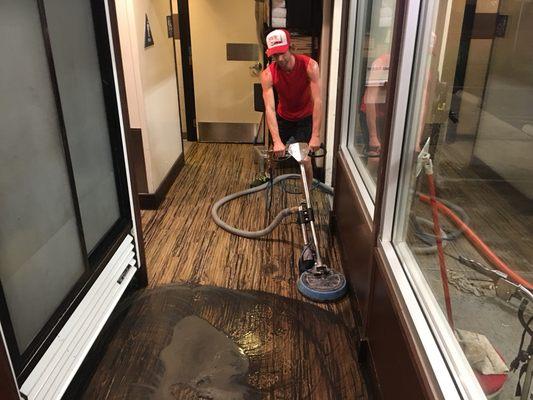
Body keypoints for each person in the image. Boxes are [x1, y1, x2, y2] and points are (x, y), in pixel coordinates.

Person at [261, 29, 322, 187]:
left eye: (282, 52)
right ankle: (267, 176)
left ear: (291, 47)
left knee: (304, 159)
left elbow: (318, 101)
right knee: (274, 153)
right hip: (283, 117)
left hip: (304, 118)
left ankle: (307, 194)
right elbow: (269, 108)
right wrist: (276, 141)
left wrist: (315, 135)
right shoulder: (268, 74)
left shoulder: (310, 66)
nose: (280, 59)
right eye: (275, 55)